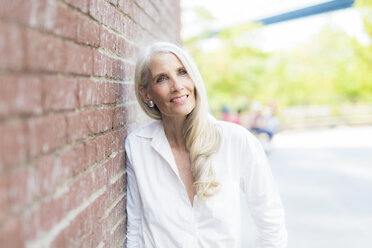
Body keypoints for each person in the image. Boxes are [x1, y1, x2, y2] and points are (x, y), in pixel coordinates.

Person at [125, 42, 287, 247]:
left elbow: (271, 223)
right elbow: (135, 229)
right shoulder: (138, 147)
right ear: (146, 94)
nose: (177, 86)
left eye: (182, 72)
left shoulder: (235, 140)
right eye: (162, 78)